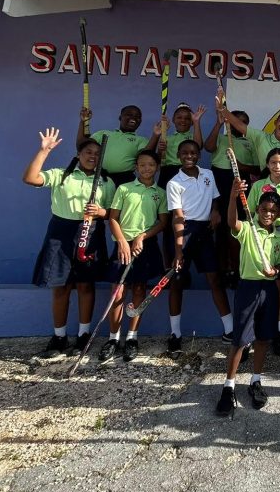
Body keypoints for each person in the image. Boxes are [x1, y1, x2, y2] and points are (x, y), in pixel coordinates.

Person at [25, 129, 114, 357]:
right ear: (78, 154)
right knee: (61, 286)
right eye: (88, 152)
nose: (93, 156)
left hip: (91, 233)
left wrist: (101, 212)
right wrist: (44, 151)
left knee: (85, 286)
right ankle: (59, 336)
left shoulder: (106, 181)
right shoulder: (61, 175)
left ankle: (83, 336)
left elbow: (114, 213)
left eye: (97, 153)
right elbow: (30, 178)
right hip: (61, 232)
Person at [216, 181, 280, 416]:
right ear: (257, 209)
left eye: (273, 211)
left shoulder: (278, 238)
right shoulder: (247, 229)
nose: (268, 214)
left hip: (269, 290)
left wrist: (275, 271)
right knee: (240, 339)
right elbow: (231, 222)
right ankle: (229, 386)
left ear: (278, 214)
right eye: (264, 209)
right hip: (248, 288)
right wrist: (233, 196)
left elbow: (279, 264)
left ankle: (255, 380)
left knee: (263, 338)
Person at [101, 149, 169, 363]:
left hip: (145, 246)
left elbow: (163, 222)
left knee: (139, 289)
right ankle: (113, 338)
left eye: (151, 165)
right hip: (122, 245)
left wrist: (142, 237)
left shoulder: (160, 193)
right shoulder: (124, 188)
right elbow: (113, 218)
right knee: (118, 292)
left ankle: (132, 337)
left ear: (157, 167)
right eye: (142, 165)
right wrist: (122, 241)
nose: (147, 168)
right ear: (136, 167)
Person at [167, 139, 223, 355]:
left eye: (193, 153)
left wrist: (215, 211)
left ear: (199, 155)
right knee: (177, 281)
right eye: (184, 153)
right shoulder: (174, 183)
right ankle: (175, 334)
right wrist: (178, 251)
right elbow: (177, 217)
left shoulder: (208, 174)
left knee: (214, 278)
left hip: (205, 231)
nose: (189, 156)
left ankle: (229, 329)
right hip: (185, 231)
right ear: (178, 156)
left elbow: (215, 198)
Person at [248, 147, 280, 356]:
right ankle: (249, 335)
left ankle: (277, 332)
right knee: (256, 282)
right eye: (273, 162)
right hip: (260, 237)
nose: (277, 166)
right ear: (267, 164)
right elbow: (249, 212)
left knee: (278, 284)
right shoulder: (258, 186)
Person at [204, 106, 257, 282]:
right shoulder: (221, 138)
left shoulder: (250, 142)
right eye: (236, 120)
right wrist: (219, 124)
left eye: (243, 122)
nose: (239, 124)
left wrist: (241, 166)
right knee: (220, 230)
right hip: (220, 182)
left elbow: (258, 169)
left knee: (236, 229)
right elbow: (208, 147)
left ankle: (237, 270)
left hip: (240, 182)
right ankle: (222, 271)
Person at [79, 105, 162, 186]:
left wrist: (156, 135)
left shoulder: (141, 140)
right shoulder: (103, 133)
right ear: (120, 117)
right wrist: (83, 121)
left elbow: (146, 157)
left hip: (125, 180)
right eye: (129, 114)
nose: (133, 118)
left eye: (138, 117)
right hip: (100, 177)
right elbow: (81, 145)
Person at [217, 95, 280, 172]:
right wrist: (223, 109)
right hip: (263, 182)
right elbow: (240, 125)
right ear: (275, 122)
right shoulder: (261, 137)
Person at [157, 103, 206, 188]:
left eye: (187, 118)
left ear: (191, 122)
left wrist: (196, 122)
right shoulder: (166, 138)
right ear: (173, 120)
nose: (183, 120)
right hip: (167, 171)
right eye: (179, 117)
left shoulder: (195, 136)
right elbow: (159, 159)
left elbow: (198, 147)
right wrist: (160, 150)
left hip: (187, 170)